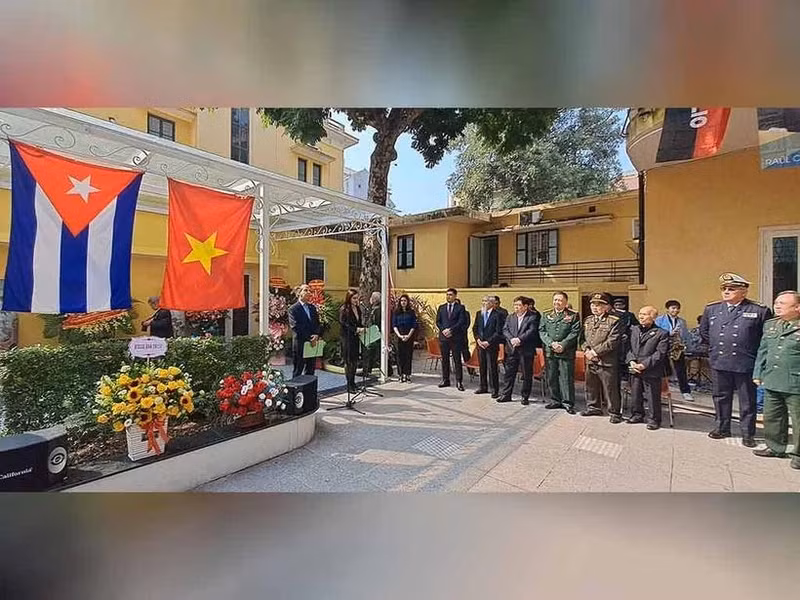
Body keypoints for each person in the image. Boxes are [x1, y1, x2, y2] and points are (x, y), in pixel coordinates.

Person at [700, 272, 772, 447]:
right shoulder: (712, 309)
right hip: (720, 360)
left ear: (744, 291)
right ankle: (722, 427)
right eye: (724, 288)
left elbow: (767, 337)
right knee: (720, 397)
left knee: (747, 400)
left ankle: (748, 433)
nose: (726, 291)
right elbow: (704, 332)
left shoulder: (758, 310)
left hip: (745, 362)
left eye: (731, 289)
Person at [752, 290, 800, 469]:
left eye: (782, 303)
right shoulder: (771, 325)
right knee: (772, 417)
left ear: (797, 307)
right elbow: (763, 351)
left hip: (796, 382)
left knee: (798, 420)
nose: (777, 306)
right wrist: (758, 372)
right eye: (776, 303)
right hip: (772, 379)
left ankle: (798, 454)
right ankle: (775, 447)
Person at [581, 292, 624, 422]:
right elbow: (583, 339)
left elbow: (612, 341)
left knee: (610, 388)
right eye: (593, 304)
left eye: (599, 305)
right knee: (591, 386)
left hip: (607, 361)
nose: (595, 307)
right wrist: (587, 350)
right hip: (590, 359)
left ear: (606, 307)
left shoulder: (614, 321)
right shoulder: (588, 320)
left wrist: (595, 352)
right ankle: (593, 407)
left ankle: (614, 413)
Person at [626, 306, 670, 430]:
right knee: (635, 393)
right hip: (634, 367)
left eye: (645, 314)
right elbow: (628, 347)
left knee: (652, 396)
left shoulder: (661, 333)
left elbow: (659, 353)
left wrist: (644, 364)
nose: (641, 316)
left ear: (653, 317)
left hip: (651, 369)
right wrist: (631, 361)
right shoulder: (633, 329)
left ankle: (654, 419)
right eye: (640, 313)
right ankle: (637, 414)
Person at [539, 291, 582, 414]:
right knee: (551, 376)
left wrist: (562, 344)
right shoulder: (546, 314)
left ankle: (568, 402)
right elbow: (542, 331)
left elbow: (574, 332)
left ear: (565, 302)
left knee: (566, 377)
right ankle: (555, 400)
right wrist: (551, 343)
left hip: (566, 352)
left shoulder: (573, 315)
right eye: (555, 300)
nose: (557, 302)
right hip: (550, 351)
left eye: (560, 300)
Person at [499, 296, 541, 405]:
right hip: (512, 349)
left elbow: (532, 331)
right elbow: (505, 329)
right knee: (509, 373)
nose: (516, 308)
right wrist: (511, 339)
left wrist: (519, 339)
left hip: (526, 349)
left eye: (519, 305)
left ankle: (525, 396)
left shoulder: (532, 317)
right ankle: (506, 394)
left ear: (525, 306)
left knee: (526, 374)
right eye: (515, 305)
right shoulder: (510, 317)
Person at [655, 299, 694, 401]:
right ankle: (661, 391)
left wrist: (687, 346)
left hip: (676, 348)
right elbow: (656, 333)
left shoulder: (682, 322)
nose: (675, 310)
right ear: (667, 309)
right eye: (673, 308)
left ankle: (686, 391)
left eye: (677, 308)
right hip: (663, 347)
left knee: (681, 370)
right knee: (663, 370)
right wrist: (669, 333)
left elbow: (686, 335)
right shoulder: (659, 320)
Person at [436, 288, 469, 391]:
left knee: (457, 360)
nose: (448, 296)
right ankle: (445, 379)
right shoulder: (442, 308)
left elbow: (461, 321)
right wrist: (444, 330)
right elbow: (438, 321)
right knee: (445, 360)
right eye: (447, 295)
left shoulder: (460, 308)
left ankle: (459, 381)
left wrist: (451, 330)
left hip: (455, 337)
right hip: (444, 338)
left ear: (455, 296)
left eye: (450, 295)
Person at [472, 296, 504, 398]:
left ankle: (494, 389)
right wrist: (478, 340)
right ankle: (483, 386)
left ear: (492, 303)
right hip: (480, 345)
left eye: (486, 301)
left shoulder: (498, 315)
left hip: (491, 345)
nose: (484, 303)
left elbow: (498, 331)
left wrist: (488, 342)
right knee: (482, 366)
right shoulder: (479, 313)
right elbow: (475, 328)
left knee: (492, 368)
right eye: (483, 301)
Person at [288, 284, 321, 378]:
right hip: (301, 344)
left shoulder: (312, 308)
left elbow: (317, 323)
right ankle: (295, 391)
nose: (309, 293)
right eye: (306, 290)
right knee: (298, 370)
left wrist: (316, 335)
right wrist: (309, 338)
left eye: (310, 291)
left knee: (310, 370)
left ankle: (308, 392)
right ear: (299, 293)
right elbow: (295, 327)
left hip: (312, 344)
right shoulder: (293, 309)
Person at [339, 288, 365, 393]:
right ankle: (349, 384)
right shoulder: (344, 309)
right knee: (348, 361)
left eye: (357, 298)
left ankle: (353, 382)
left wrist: (362, 328)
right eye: (354, 298)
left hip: (355, 337)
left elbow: (358, 322)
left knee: (354, 361)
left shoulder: (358, 308)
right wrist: (356, 329)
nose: (356, 300)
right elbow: (343, 323)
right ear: (349, 298)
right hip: (347, 338)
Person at [392, 293, 418, 383]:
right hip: (399, 336)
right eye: (402, 301)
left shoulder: (411, 312)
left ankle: (407, 375)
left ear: (407, 302)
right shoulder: (396, 312)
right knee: (399, 356)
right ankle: (400, 375)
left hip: (409, 336)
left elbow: (414, 325)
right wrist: (399, 335)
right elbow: (394, 325)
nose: (403, 302)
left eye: (405, 301)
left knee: (408, 356)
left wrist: (408, 336)